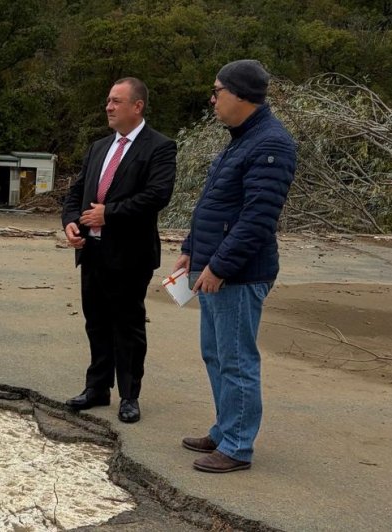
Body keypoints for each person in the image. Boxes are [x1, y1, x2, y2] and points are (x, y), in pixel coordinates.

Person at [174, 60, 296, 473]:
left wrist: (220, 266)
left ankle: (238, 446)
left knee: (237, 359)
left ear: (241, 95)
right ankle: (226, 429)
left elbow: (257, 218)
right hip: (215, 268)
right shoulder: (241, 138)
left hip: (239, 274)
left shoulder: (271, 144)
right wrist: (193, 248)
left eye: (218, 91)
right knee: (216, 354)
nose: (212, 99)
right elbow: (215, 202)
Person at [61, 78, 177, 423]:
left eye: (116, 101)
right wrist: (70, 222)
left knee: (126, 327)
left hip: (130, 255)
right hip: (92, 252)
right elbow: (76, 192)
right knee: (95, 323)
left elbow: (158, 195)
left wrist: (108, 213)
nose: (109, 107)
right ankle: (97, 388)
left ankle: (129, 395)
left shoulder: (159, 147)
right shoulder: (99, 147)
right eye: (108, 101)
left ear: (137, 106)